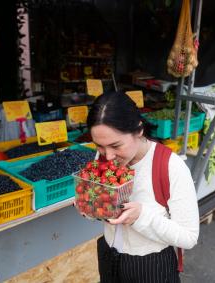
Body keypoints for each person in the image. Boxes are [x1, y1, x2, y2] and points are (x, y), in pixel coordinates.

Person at [85, 91, 200, 282]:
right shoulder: (104, 156)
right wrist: (90, 206)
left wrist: (141, 216)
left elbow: (189, 237)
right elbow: (102, 206)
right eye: (99, 146)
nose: (108, 155)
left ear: (139, 131)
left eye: (116, 145)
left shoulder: (170, 166)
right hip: (109, 256)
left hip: (151, 267)